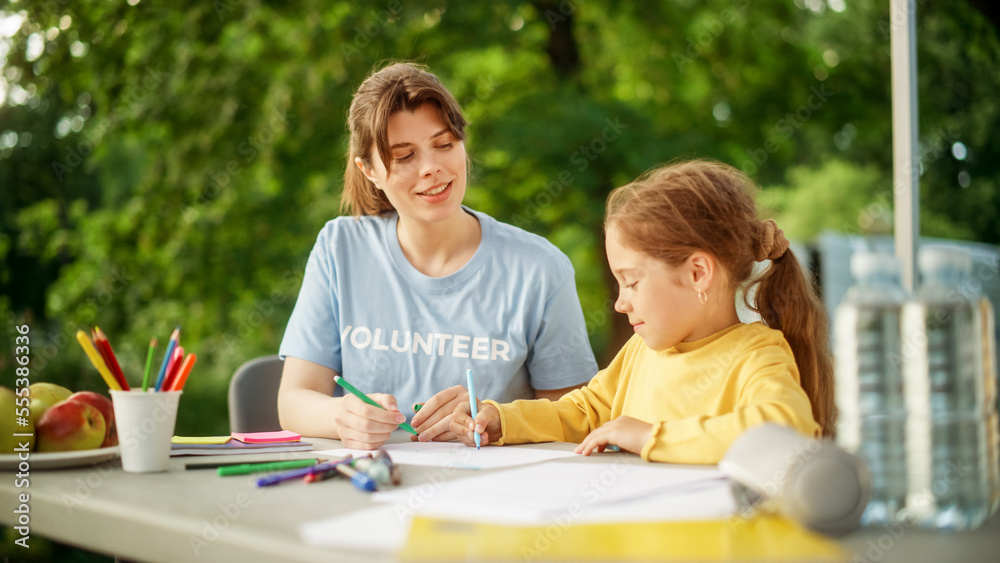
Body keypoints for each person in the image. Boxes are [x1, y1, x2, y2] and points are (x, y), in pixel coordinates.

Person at [277, 62, 597, 449]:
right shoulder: (339, 248)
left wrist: (499, 416)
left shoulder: (540, 268)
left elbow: (579, 413)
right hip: (370, 487)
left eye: (444, 145)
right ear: (369, 171)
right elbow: (295, 400)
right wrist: (342, 416)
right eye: (404, 156)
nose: (432, 168)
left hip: (495, 494)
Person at [451, 159, 835, 464]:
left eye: (631, 282)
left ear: (698, 273)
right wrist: (504, 420)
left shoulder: (757, 353)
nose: (620, 302)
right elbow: (584, 411)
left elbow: (786, 428)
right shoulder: (641, 350)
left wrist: (651, 437)